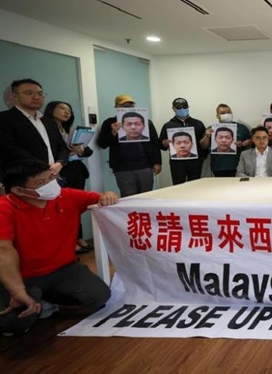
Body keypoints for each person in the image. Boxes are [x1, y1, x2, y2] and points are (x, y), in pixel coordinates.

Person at [0, 160, 118, 336]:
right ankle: (34, 300)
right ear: (19, 190)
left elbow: (100, 197)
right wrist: (17, 291)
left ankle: (45, 302)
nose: (50, 184)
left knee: (98, 296)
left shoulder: (66, 196)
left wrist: (108, 194)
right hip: (22, 276)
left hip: (63, 270)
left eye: (51, 177)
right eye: (41, 183)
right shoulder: (5, 208)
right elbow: (3, 250)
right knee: (14, 324)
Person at [43, 101, 94, 254]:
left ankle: (79, 238)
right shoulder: (44, 129)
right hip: (59, 171)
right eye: (62, 109)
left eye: (69, 110)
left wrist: (81, 150)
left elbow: (88, 151)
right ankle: (69, 242)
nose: (67, 112)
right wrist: (67, 154)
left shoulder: (69, 131)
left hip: (76, 170)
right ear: (51, 110)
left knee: (75, 206)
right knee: (62, 208)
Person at [0, 79, 69, 176]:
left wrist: (60, 163)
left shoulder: (49, 122)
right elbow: (9, 149)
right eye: (29, 93)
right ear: (15, 96)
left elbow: (62, 146)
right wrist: (43, 167)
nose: (36, 97)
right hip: (22, 177)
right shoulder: (4, 119)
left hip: (52, 175)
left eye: (40, 94)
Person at [97, 94, 162, 197]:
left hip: (145, 166)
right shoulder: (109, 123)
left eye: (131, 106)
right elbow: (102, 144)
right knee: (128, 198)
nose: (128, 108)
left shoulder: (146, 122)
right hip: (122, 168)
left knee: (147, 197)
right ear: (116, 106)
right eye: (124, 106)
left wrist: (157, 162)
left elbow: (154, 144)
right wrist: (113, 133)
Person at [159, 98, 207, 185]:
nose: (182, 109)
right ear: (173, 109)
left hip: (195, 162)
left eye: (184, 107)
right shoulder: (168, 125)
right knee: (178, 186)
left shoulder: (198, 124)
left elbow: (204, 143)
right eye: (179, 107)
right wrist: (165, 142)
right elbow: (161, 145)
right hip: (177, 163)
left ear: (188, 107)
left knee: (195, 186)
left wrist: (202, 157)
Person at [199, 104, 252, 177]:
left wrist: (243, 143)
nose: (226, 114)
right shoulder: (211, 129)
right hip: (218, 166)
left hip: (239, 165)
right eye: (223, 113)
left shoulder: (242, 128)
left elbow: (250, 142)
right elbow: (203, 146)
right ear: (217, 116)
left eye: (229, 112)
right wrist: (207, 137)